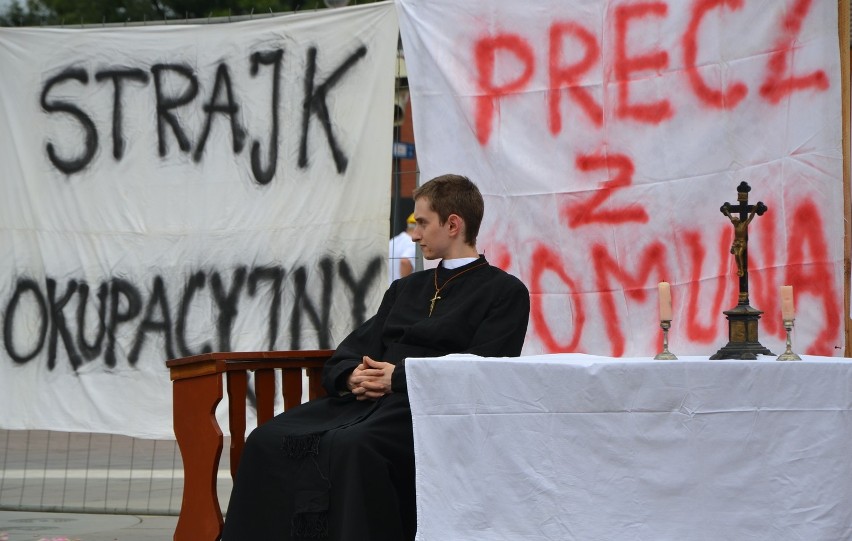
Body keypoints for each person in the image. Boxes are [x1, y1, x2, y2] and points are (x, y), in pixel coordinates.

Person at [221, 174, 530, 541]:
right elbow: (354, 348)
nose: (414, 235)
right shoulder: (405, 289)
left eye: (422, 223)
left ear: (453, 224)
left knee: (354, 447)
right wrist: (351, 376)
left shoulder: (505, 293)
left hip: (428, 413)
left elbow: (484, 371)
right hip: (361, 404)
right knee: (264, 439)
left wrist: (399, 378)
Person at [388, 212, 416, 283]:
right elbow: (405, 261)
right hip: (399, 291)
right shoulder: (413, 243)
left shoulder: (393, 241)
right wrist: (404, 286)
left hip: (388, 288)